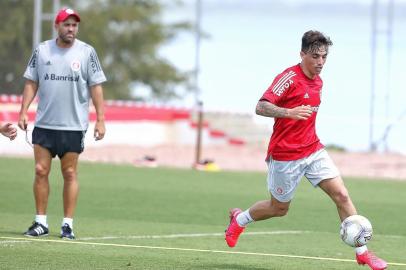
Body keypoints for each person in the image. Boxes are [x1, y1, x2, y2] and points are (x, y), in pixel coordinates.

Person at [224, 30, 387, 270]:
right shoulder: (289, 78)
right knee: (278, 209)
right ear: (302, 54)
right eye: (315, 56)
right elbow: (261, 106)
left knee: (341, 195)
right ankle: (239, 219)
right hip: (285, 155)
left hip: (313, 149)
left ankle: (362, 252)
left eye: (324, 57)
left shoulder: (319, 80)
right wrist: (288, 112)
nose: (320, 62)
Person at [18, 8, 106, 239]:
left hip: (73, 125)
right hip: (45, 123)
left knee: (69, 173)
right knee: (40, 171)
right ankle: (41, 223)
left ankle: (67, 225)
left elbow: (96, 86)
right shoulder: (42, 50)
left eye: (74, 25)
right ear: (57, 26)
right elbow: (31, 82)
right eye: (66, 24)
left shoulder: (87, 52)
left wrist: (101, 119)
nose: (71, 29)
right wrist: (23, 111)